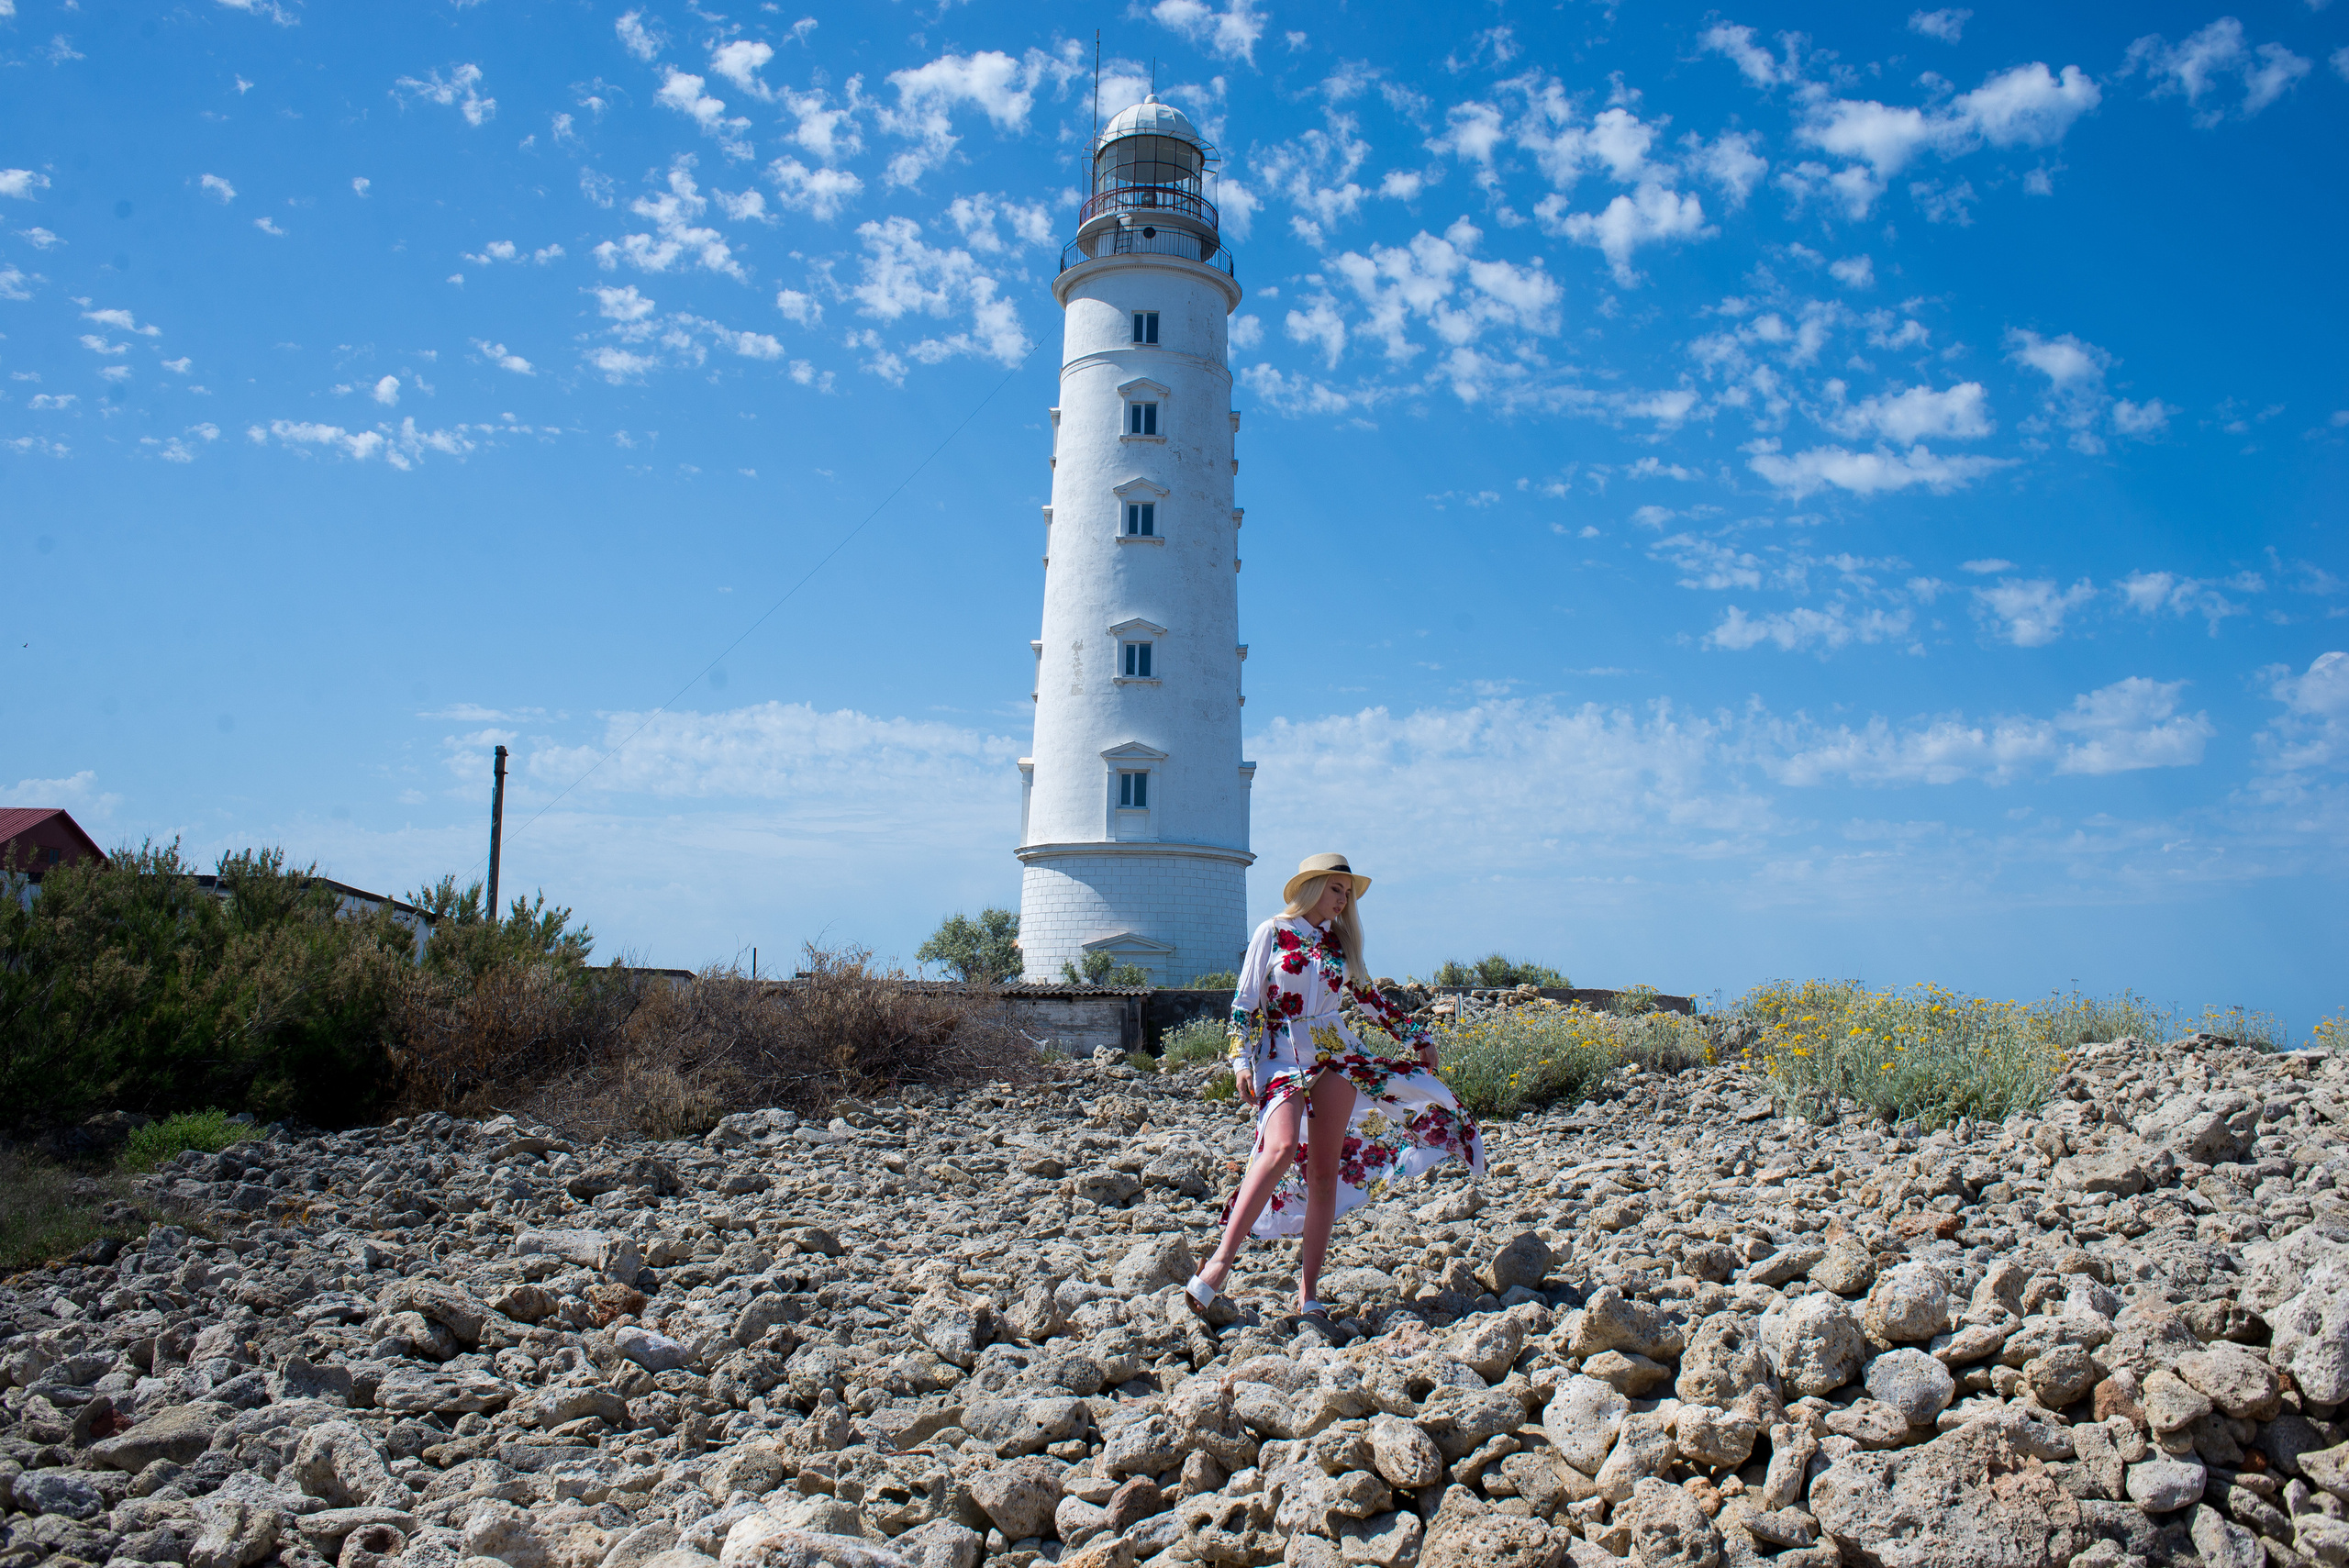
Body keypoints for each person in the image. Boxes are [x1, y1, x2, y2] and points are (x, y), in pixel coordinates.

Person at [1184, 851, 1486, 1319]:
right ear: (1312, 888)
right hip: (1281, 1056)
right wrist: (1240, 1059)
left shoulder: (1339, 946)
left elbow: (1370, 1000)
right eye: (1336, 889)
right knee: (1280, 1148)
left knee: (1324, 1173)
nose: (1343, 900)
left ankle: (1308, 1296)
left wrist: (1417, 1036)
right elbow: (1244, 1003)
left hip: (1335, 1055)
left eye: (1348, 893)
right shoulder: (1273, 932)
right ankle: (1220, 1263)